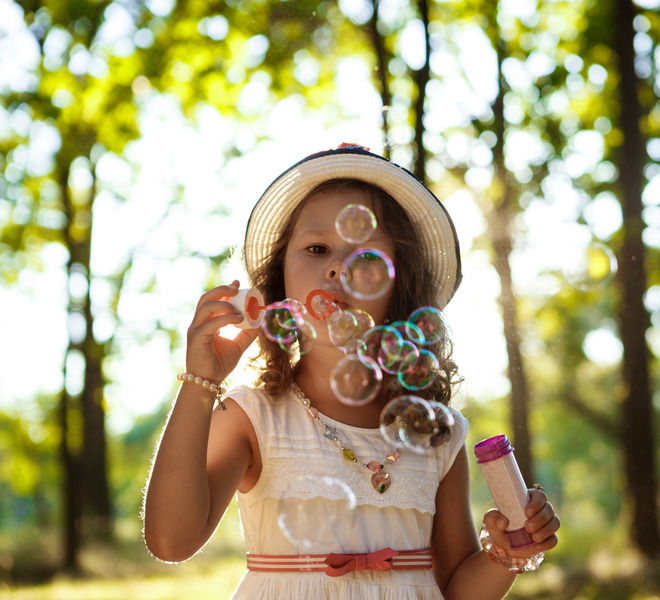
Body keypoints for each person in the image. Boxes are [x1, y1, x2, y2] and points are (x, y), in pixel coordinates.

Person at [142, 143, 560, 599]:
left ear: (400, 286)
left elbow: (457, 590)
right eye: (317, 248)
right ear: (280, 280)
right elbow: (171, 540)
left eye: (365, 258)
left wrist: (508, 552)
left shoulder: (436, 436)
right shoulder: (255, 418)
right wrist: (202, 383)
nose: (338, 268)